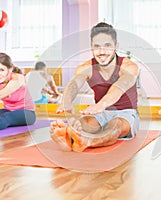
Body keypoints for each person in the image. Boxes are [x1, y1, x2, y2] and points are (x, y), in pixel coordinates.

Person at [50, 22, 139, 152]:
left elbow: (120, 86)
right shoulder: (85, 68)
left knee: (115, 126)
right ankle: (68, 138)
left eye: (107, 46)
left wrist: (101, 104)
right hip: (99, 113)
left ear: (116, 46)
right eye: (97, 47)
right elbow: (74, 84)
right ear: (91, 48)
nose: (102, 52)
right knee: (83, 123)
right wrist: (66, 101)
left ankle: (87, 141)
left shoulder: (129, 67)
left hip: (126, 113)